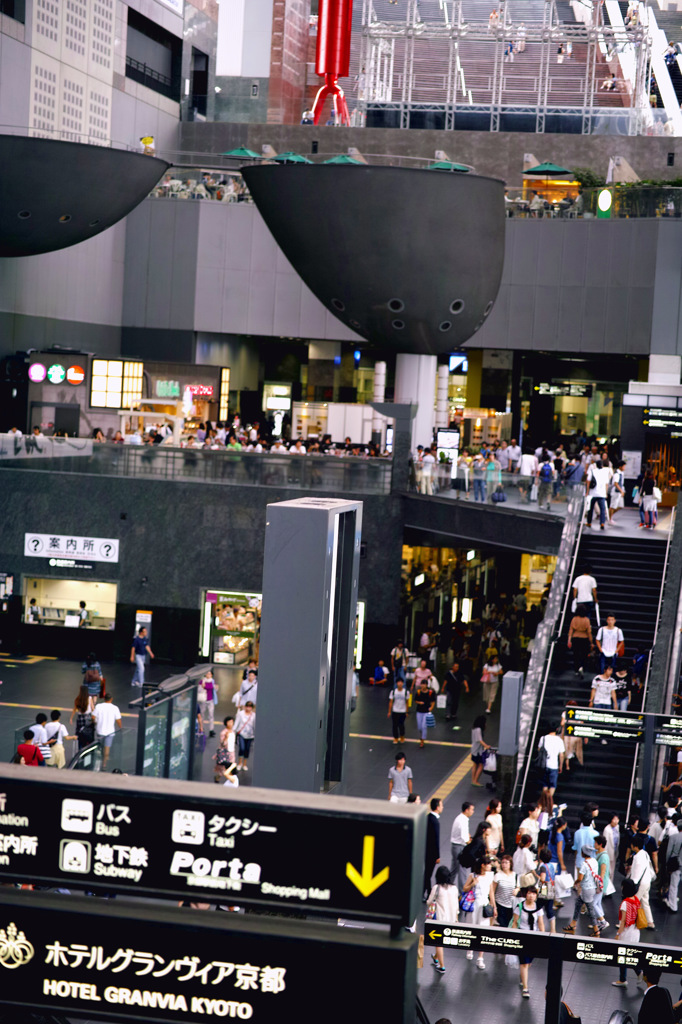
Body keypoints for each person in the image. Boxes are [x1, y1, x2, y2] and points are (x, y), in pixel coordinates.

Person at [462, 857, 496, 969]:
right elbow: (465, 888)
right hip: (474, 904)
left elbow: (491, 893)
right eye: (488, 864)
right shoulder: (472, 875)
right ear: (483, 865)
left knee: (483, 930)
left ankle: (480, 958)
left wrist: (494, 906)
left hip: (484, 905)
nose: (490, 866)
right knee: (471, 927)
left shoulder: (490, 876)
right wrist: (473, 884)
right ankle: (470, 949)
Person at [513, 886, 545, 997]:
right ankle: (525, 988)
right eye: (529, 893)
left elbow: (540, 923)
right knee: (524, 962)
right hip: (522, 936)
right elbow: (515, 922)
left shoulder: (538, 908)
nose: (531, 896)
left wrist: (543, 937)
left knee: (529, 962)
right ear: (525, 895)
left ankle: (522, 976)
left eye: (534, 894)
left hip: (534, 937)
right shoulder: (520, 907)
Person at [562, 846, 603, 936]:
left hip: (586, 889)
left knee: (590, 910)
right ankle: (573, 924)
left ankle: (596, 930)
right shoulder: (594, 861)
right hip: (592, 888)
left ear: (583, 853)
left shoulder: (584, 864)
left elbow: (580, 878)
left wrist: (575, 882)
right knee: (578, 903)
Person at [428, 865, 459, 974]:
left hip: (440, 919)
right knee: (443, 941)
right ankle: (435, 957)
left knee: (438, 943)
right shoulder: (454, 888)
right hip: (451, 919)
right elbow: (456, 904)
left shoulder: (436, 888)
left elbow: (429, 901)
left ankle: (442, 966)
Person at [630, 833, 655, 929]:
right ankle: (650, 922)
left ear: (635, 846)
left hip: (640, 883)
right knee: (645, 902)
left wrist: (632, 884)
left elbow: (637, 872)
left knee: (632, 902)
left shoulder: (638, 857)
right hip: (647, 881)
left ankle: (626, 922)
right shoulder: (645, 853)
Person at [92, 693, 122, 768]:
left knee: (99, 747)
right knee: (107, 748)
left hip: (100, 731)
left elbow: (93, 717)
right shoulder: (115, 708)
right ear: (111, 699)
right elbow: (118, 720)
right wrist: (120, 728)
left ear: (104, 698)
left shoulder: (98, 706)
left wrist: (95, 722)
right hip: (110, 732)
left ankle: (97, 762)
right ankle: (104, 764)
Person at [451, 802, 475, 887]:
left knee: (454, 869)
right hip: (459, 847)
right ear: (466, 810)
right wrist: (471, 845)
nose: (473, 811)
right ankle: (463, 891)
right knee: (462, 870)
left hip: (455, 846)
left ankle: (446, 885)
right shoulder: (463, 820)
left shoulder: (460, 818)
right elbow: (464, 837)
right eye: (472, 809)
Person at [538, 724, 565, 800]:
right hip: (554, 765)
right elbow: (561, 755)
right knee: (553, 785)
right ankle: (548, 801)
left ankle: (543, 801)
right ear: (557, 729)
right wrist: (560, 766)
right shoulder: (559, 740)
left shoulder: (543, 738)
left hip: (544, 764)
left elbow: (539, 750)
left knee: (544, 784)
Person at [567, 604, 593, 680]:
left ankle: (576, 669)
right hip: (584, 639)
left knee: (576, 655)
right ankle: (582, 667)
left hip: (575, 638)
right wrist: (591, 642)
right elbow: (589, 632)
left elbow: (571, 630)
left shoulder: (574, 619)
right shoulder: (587, 620)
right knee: (584, 654)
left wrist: (569, 640)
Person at [441, 660, 469, 727]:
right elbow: (445, 681)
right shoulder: (448, 673)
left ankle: (453, 713)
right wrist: (443, 688)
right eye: (455, 667)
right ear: (452, 667)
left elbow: (463, 680)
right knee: (449, 701)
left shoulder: (460, 673)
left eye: (457, 667)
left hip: (457, 690)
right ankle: (448, 714)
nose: (456, 668)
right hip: (450, 689)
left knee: (455, 702)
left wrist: (467, 687)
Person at [492, 853, 517, 927]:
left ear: (510, 864)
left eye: (506, 863)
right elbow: (492, 891)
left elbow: (518, 887)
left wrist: (517, 889)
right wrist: (494, 907)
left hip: (512, 906)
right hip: (500, 904)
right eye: (502, 862)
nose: (504, 865)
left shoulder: (515, 875)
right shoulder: (498, 875)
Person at [424, 798, 443, 897]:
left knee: (427, 872)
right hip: (432, 853)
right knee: (428, 873)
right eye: (441, 805)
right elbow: (436, 839)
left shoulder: (427, 818)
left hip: (426, 850)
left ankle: (427, 891)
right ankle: (426, 892)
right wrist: (437, 856)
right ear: (437, 807)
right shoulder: (435, 821)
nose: (442, 807)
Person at [664, 819, 682, 911]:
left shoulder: (673, 837)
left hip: (676, 864)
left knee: (674, 885)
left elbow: (669, 852)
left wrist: (668, 864)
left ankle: (673, 906)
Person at [413, 676, 436, 749]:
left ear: (426, 685)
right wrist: (419, 702)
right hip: (419, 711)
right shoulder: (418, 692)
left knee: (424, 726)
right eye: (422, 684)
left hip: (426, 711)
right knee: (419, 726)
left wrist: (431, 707)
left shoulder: (430, 692)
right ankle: (421, 736)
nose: (423, 686)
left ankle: (422, 740)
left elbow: (433, 701)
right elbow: (415, 700)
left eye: (424, 684)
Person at [471, 714, 492, 786]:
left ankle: (473, 780)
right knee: (481, 765)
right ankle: (475, 781)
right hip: (478, 751)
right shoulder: (478, 730)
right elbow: (480, 740)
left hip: (474, 750)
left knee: (475, 765)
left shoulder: (474, 728)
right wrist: (486, 746)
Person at [234, 700, 256, 771]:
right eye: (247, 706)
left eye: (250, 707)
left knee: (247, 749)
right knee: (242, 748)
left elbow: (255, 725)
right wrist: (233, 730)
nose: (248, 708)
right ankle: (240, 763)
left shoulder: (254, 715)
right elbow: (237, 722)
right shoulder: (241, 714)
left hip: (250, 735)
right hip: (242, 734)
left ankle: (244, 764)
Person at [387, 678, 408, 744]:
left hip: (402, 711)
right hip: (395, 711)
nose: (400, 684)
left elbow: (407, 702)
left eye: (401, 682)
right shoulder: (393, 692)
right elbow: (391, 702)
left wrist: (407, 711)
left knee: (401, 725)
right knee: (395, 725)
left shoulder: (406, 692)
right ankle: (395, 738)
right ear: (396, 683)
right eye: (398, 682)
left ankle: (402, 736)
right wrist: (389, 711)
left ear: (403, 683)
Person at [197, 669, 218, 738]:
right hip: (203, 700)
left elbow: (214, 690)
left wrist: (215, 688)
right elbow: (199, 690)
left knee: (211, 715)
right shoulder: (202, 681)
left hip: (210, 700)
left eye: (209, 674)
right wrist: (203, 687)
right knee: (202, 715)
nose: (208, 675)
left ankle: (211, 730)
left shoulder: (212, 681)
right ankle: (201, 728)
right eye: (207, 674)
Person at [604, 814, 621, 880]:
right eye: (614, 819)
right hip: (608, 852)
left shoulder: (617, 827)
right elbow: (605, 843)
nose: (616, 821)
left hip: (615, 851)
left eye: (617, 819)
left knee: (612, 870)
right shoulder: (607, 829)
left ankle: (611, 883)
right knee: (608, 870)